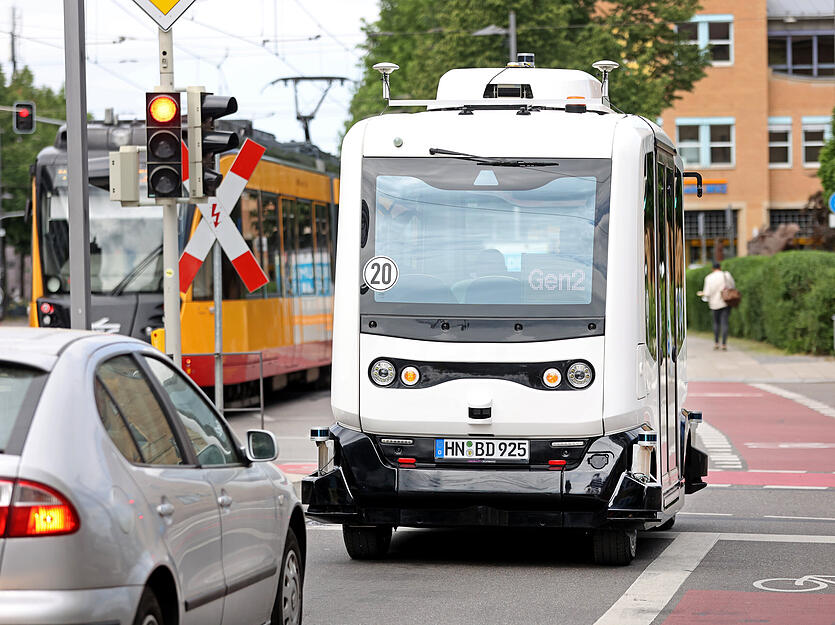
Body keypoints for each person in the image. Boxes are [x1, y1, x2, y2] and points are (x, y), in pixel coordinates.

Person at [697, 261, 735, 351]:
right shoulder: (726, 275)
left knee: (716, 323)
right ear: (720, 267)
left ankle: (716, 343)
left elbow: (707, 293)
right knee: (724, 323)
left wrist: (702, 293)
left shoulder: (708, 278)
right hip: (725, 302)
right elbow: (732, 286)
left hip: (714, 304)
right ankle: (724, 344)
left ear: (712, 268)